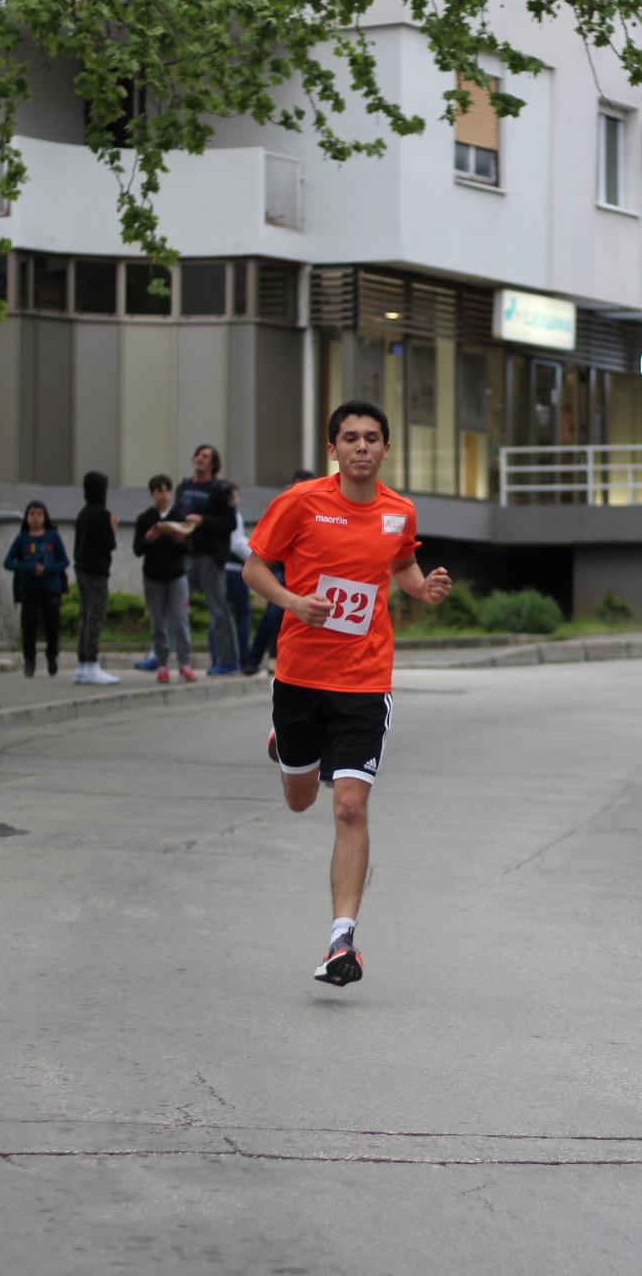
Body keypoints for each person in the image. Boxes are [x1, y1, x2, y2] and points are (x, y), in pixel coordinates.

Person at [242, 401, 452, 986]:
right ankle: (285, 746)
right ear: (332, 450)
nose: (362, 447)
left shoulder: (399, 513)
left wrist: (423, 588)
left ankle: (342, 942)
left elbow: (403, 567)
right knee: (300, 799)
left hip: (364, 680)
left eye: (372, 438)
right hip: (301, 677)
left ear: (387, 449)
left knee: (350, 806)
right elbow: (254, 568)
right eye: (350, 438)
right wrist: (293, 603)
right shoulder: (301, 503)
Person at [242, 468, 316, 676]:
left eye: (306, 486)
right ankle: (255, 658)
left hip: (304, 574)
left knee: (293, 615)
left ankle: (276, 658)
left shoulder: (320, 507)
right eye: (297, 486)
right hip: (279, 569)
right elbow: (260, 554)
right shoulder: (286, 503)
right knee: (275, 613)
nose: (302, 490)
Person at [175, 444, 241, 675]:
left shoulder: (219, 489)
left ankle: (228, 662)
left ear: (213, 464)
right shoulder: (183, 487)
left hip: (210, 558)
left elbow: (229, 523)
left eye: (205, 457)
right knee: (175, 606)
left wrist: (203, 520)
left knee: (219, 610)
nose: (199, 459)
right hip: (186, 555)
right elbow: (177, 514)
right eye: (198, 455)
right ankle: (160, 657)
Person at [132, 475, 195, 683]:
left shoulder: (179, 515)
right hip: (153, 576)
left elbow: (189, 548)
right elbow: (137, 550)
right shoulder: (145, 518)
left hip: (176, 575)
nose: (163, 495)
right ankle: (161, 663)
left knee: (180, 619)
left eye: (166, 490)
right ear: (152, 494)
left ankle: (185, 663)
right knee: (158, 621)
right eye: (158, 491)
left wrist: (179, 539)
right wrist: (148, 539)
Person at [3, 500, 69, 678]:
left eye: (39, 514)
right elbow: (8, 563)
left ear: (45, 516)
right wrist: (30, 568)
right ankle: (29, 661)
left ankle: (52, 657)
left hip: (51, 588)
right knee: (29, 627)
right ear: (26, 517)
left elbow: (64, 561)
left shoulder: (53, 536)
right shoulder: (22, 538)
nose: (35, 518)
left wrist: (47, 569)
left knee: (52, 626)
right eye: (32, 514)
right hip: (29, 588)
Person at [71, 471, 122, 686]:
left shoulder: (82, 513)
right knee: (96, 617)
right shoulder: (102, 514)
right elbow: (109, 544)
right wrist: (113, 528)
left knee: (86, 616)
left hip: (81, 569)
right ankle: (91, 664)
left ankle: (83, 664)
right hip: (97, 572)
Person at [225, 482, 253, 661]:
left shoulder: (217, 515)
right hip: (234, 570)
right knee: (242, 614)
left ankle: (225, 657)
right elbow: (236, 544)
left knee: (221, 616)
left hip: (222, 569)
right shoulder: (232, 516)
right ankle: (243, 657)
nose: (238, 500)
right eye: (234, 496)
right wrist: (256, 557)